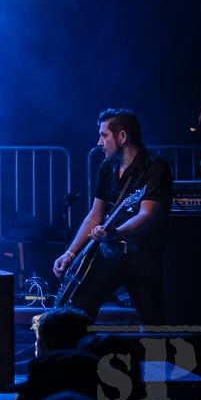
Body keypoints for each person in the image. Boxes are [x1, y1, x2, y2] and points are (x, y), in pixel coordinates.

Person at [53, 108, 173, 327]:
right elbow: (95, 214)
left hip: (141, 257)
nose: (99, 142)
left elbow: (146, 214)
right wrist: (70, 253)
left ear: (122, 137)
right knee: (78, 310)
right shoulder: (107, 167)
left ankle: (157, 351)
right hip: (109, 254)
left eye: (104, 135)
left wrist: (115, 232)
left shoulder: (155, 168)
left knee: (153, 324)